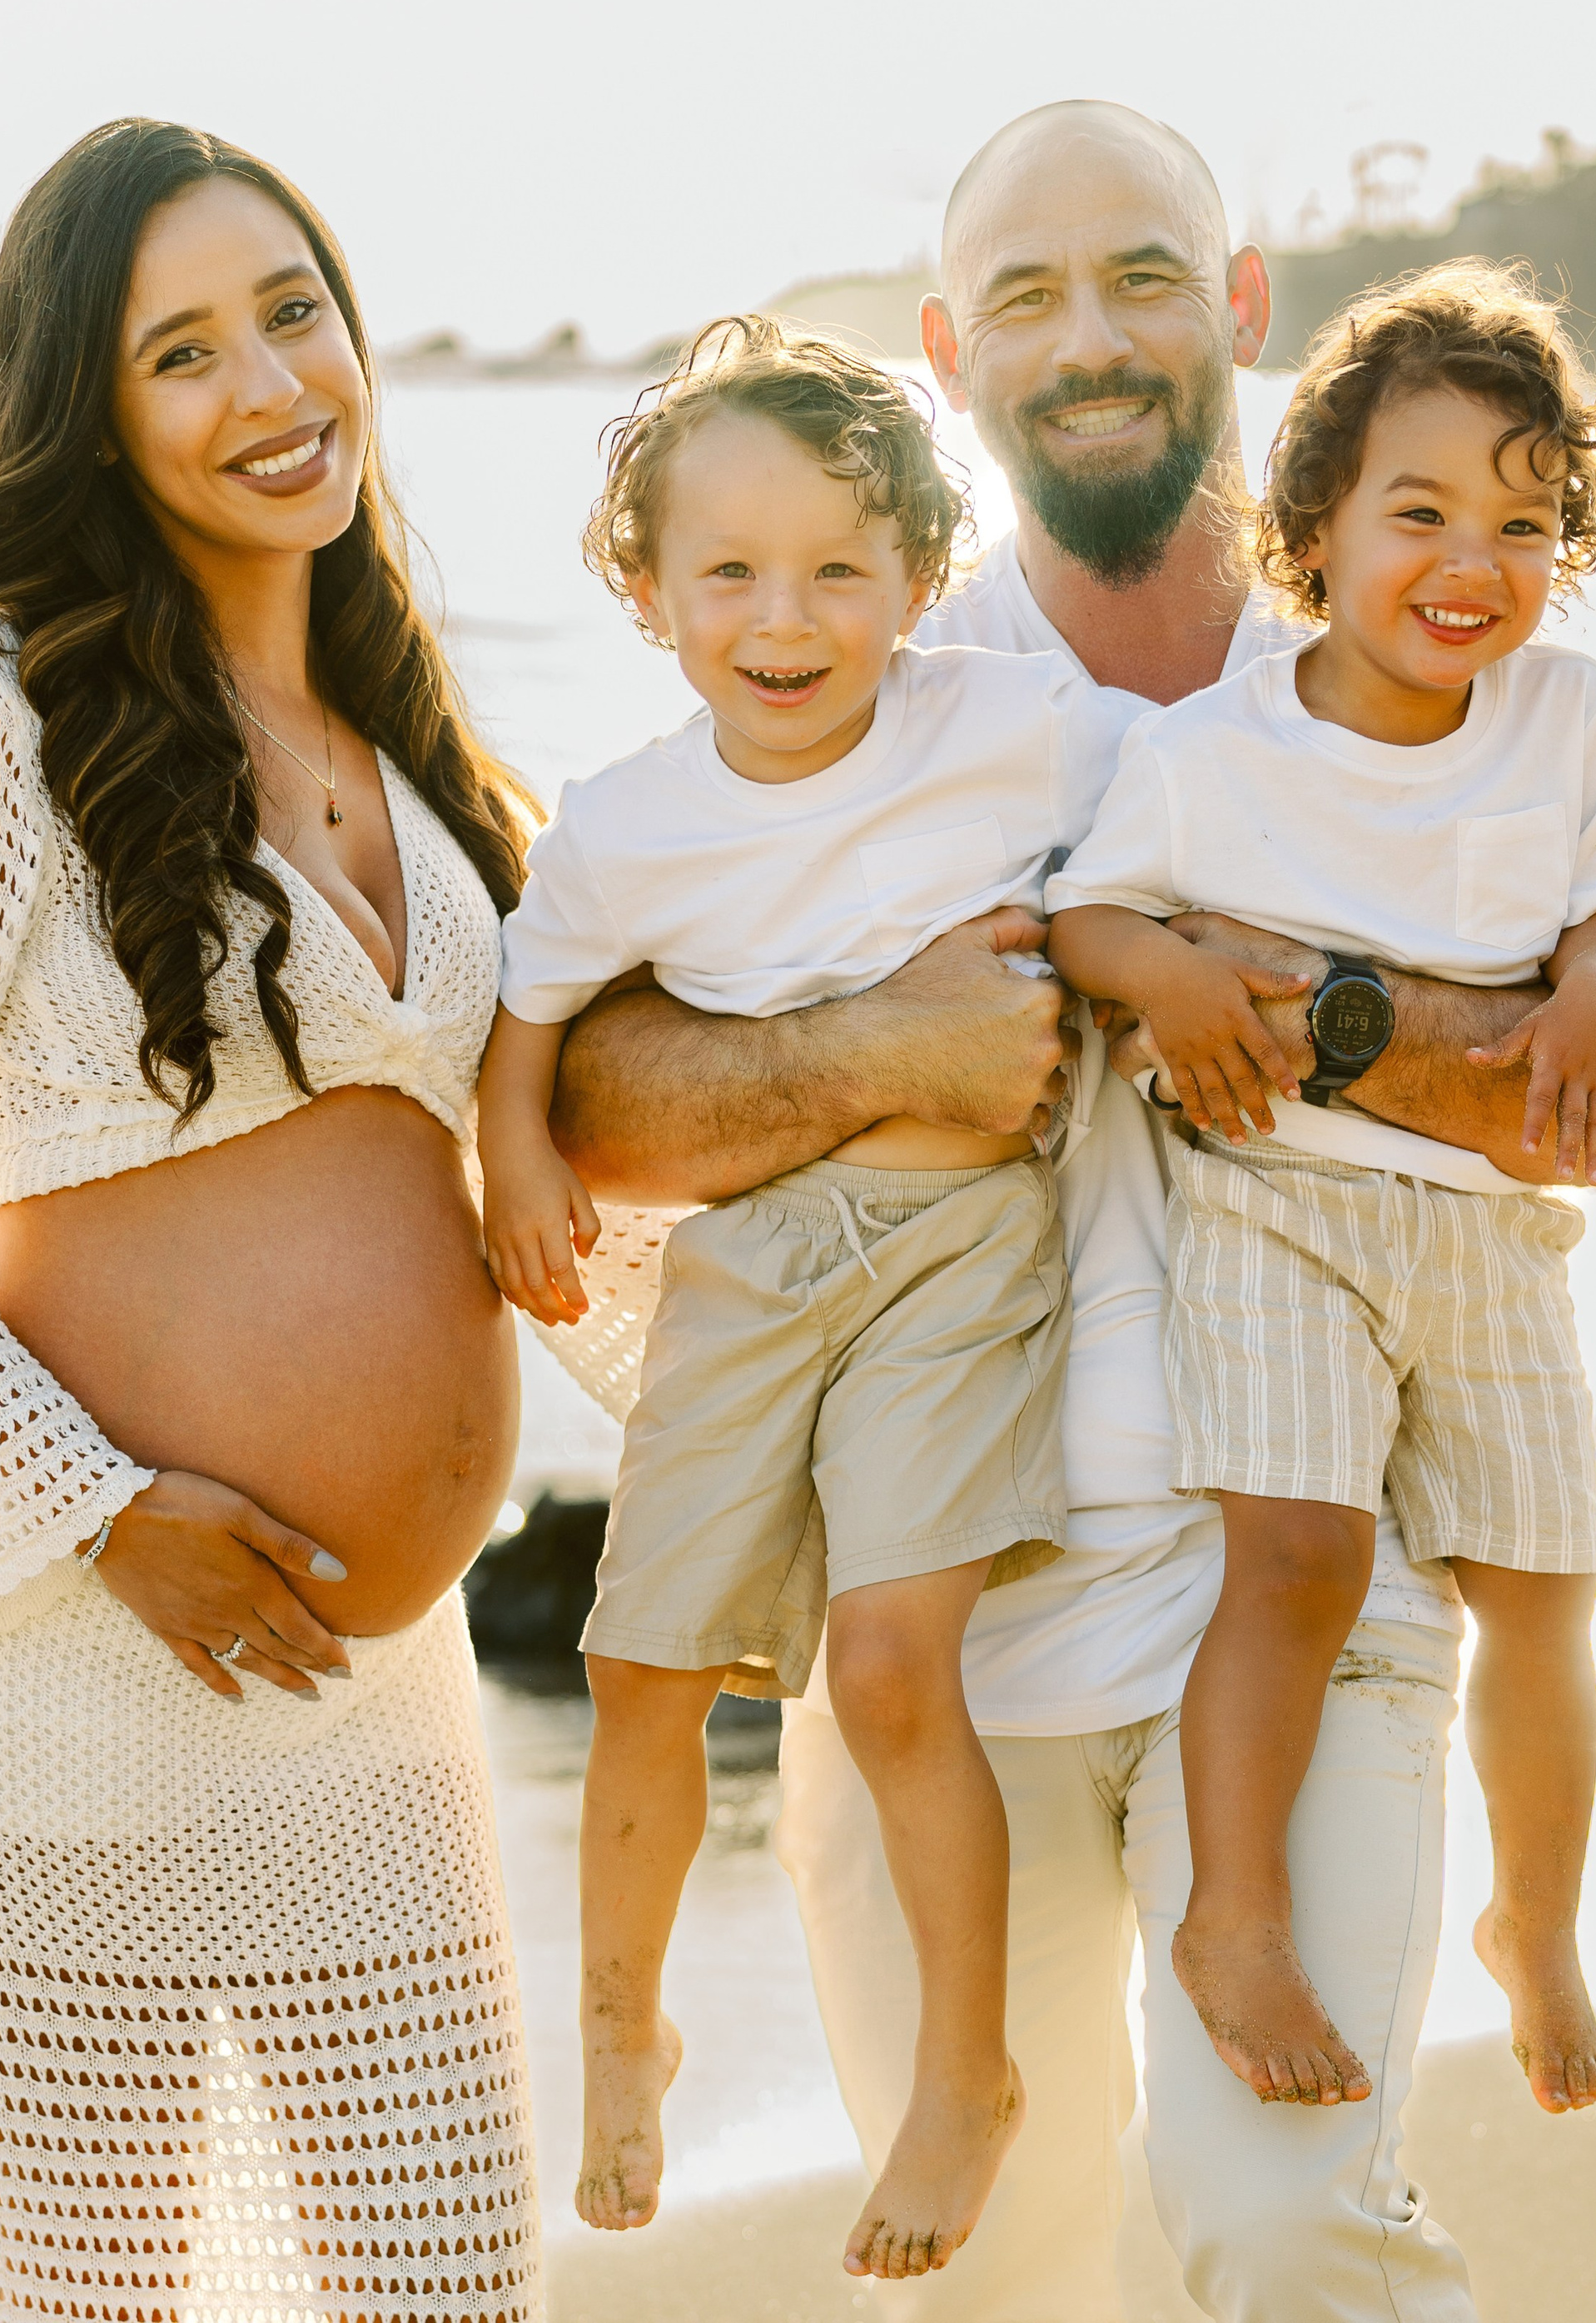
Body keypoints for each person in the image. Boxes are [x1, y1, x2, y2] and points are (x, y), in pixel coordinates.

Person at [544, 101, 1596, 2321]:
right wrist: (880, 1051)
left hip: (1306, 1598)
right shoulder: (861, 673)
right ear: (947, 356)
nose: (1088, 339)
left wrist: (1328, 1017)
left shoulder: (1437, 674)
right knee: (984, 2285)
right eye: (1025, 295)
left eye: (1146, 277)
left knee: (1294, 2230)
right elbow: (602, 1090)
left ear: (1246, 307)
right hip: (929, 1645)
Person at [0, 121, 542, 2321]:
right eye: (183, 351)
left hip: (375, 1704)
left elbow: (549, 1188)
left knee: (453, 2285)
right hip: (59, 1684)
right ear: (98, 421)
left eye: (294, 309)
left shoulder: (401, 726)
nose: (272, 382)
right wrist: (103, 1509)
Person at [480, 320, 1119, 2281]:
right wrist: (513, 1153)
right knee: (641, 1658)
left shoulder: (1012, 722)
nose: (785, 616)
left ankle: (965, 2070)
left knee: (895, 1666)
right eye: (729, 571)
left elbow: (1195, 816)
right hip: (751, 1264)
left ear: (923, 579)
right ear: (647, 588)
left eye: (840, 566)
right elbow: (528, 1017)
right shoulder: (623, 822)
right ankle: (619, 2023)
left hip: (960, 1254)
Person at [1049, 266, 1596, 2125]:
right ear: (1310, 527)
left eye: (1523, 520)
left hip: (1487, 1228)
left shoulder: (1563, 713)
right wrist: (1156, 978)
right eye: (1420, 510)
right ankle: (1234, 1912)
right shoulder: (1212, 748)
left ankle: (1532, 1921)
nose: (1471, 556)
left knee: (1539, 1583)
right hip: (1280, 1205)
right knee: (1292, 1559)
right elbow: (1087, 915)